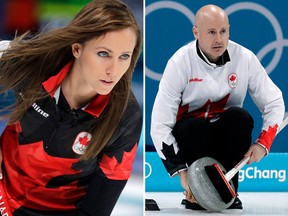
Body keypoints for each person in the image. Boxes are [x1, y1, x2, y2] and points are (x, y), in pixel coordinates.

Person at [0, 0, 142, 215]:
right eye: (103, 54)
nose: (113, 70)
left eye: (124, 56)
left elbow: (98, 207)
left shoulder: (125, 116)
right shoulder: (31, 63)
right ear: (77, 48)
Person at [150, 4, 285, 210]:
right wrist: (182, 173)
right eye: (211, 32)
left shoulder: (245, 58)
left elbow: (274, 101)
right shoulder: (179, 63)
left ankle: (229, 192)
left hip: (225, 135)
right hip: (192, 136)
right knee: (193, 128)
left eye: (223, 31)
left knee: (240, 118)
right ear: (196, 33)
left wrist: (263, 144)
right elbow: (159, 124)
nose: (219, 39)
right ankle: (195, 195)